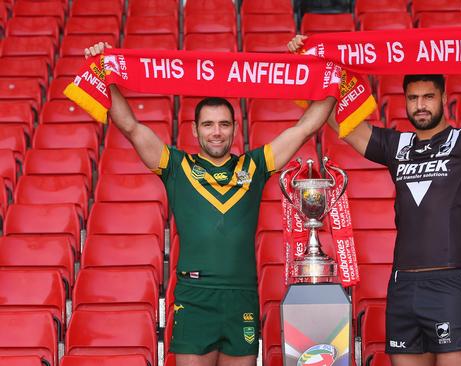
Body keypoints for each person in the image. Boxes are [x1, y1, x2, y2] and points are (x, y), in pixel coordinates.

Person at [288, 27, 461, 366]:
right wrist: (307, 68)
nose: (420, 105)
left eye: (428, 97)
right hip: (403, 287)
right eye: (413, 98)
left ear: (443, 99)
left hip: (452, 284)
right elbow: (343, 125)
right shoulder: (396, 146)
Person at [84, 42, 336, 366]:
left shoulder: (255, 166)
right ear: (195, 129)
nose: (216, 132)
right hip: (194, 296)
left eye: (224, 124)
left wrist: (330, 75)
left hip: (242, 296)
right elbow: (131, 127)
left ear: (235, 128)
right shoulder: (176, 166)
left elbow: (305, 128)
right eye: (208, 124)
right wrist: (104, 72)